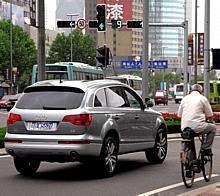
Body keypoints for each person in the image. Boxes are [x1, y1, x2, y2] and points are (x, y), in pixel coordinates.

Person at [177, 84, 216, 155]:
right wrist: (211, 121)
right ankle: (206, 149)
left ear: (191, 90)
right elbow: (210, 115)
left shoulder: (185, 98)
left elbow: (179, 115)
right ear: (201, 91)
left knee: (188, 137)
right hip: (198, 126)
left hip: (185, 127)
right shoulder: (202, 98)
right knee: (213, 128)